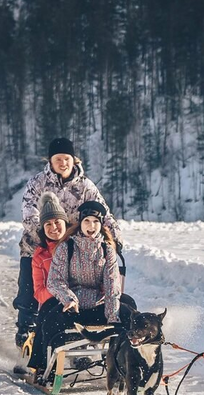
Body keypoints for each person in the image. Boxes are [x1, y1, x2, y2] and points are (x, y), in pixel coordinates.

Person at [13, 138, 122, 347]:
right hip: (38, 244)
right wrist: (45, 232)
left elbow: (102, 212)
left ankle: (77, 329)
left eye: (66, 159)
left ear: (74, 160)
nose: (63, 163)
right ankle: (26, 328)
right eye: (58, 159)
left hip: (70, 247)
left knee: (73, 288)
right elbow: (28, 211)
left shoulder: (85, 186)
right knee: (29, 289)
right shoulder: (38, 182)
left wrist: (115, 235)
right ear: (50, 161)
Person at [27, 201, 125, 379]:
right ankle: (45, 367)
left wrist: (113, 318)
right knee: (50, 321)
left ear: (101, 224)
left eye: (95, 222)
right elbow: (55, 280)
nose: (91, 226)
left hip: (97, 304)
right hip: (73, 306)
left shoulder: (107, 250)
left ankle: (124, 363)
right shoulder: (67, 247)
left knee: (128, 313)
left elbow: (112, 286)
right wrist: (68, 299)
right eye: (87, 221)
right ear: (80, 223)